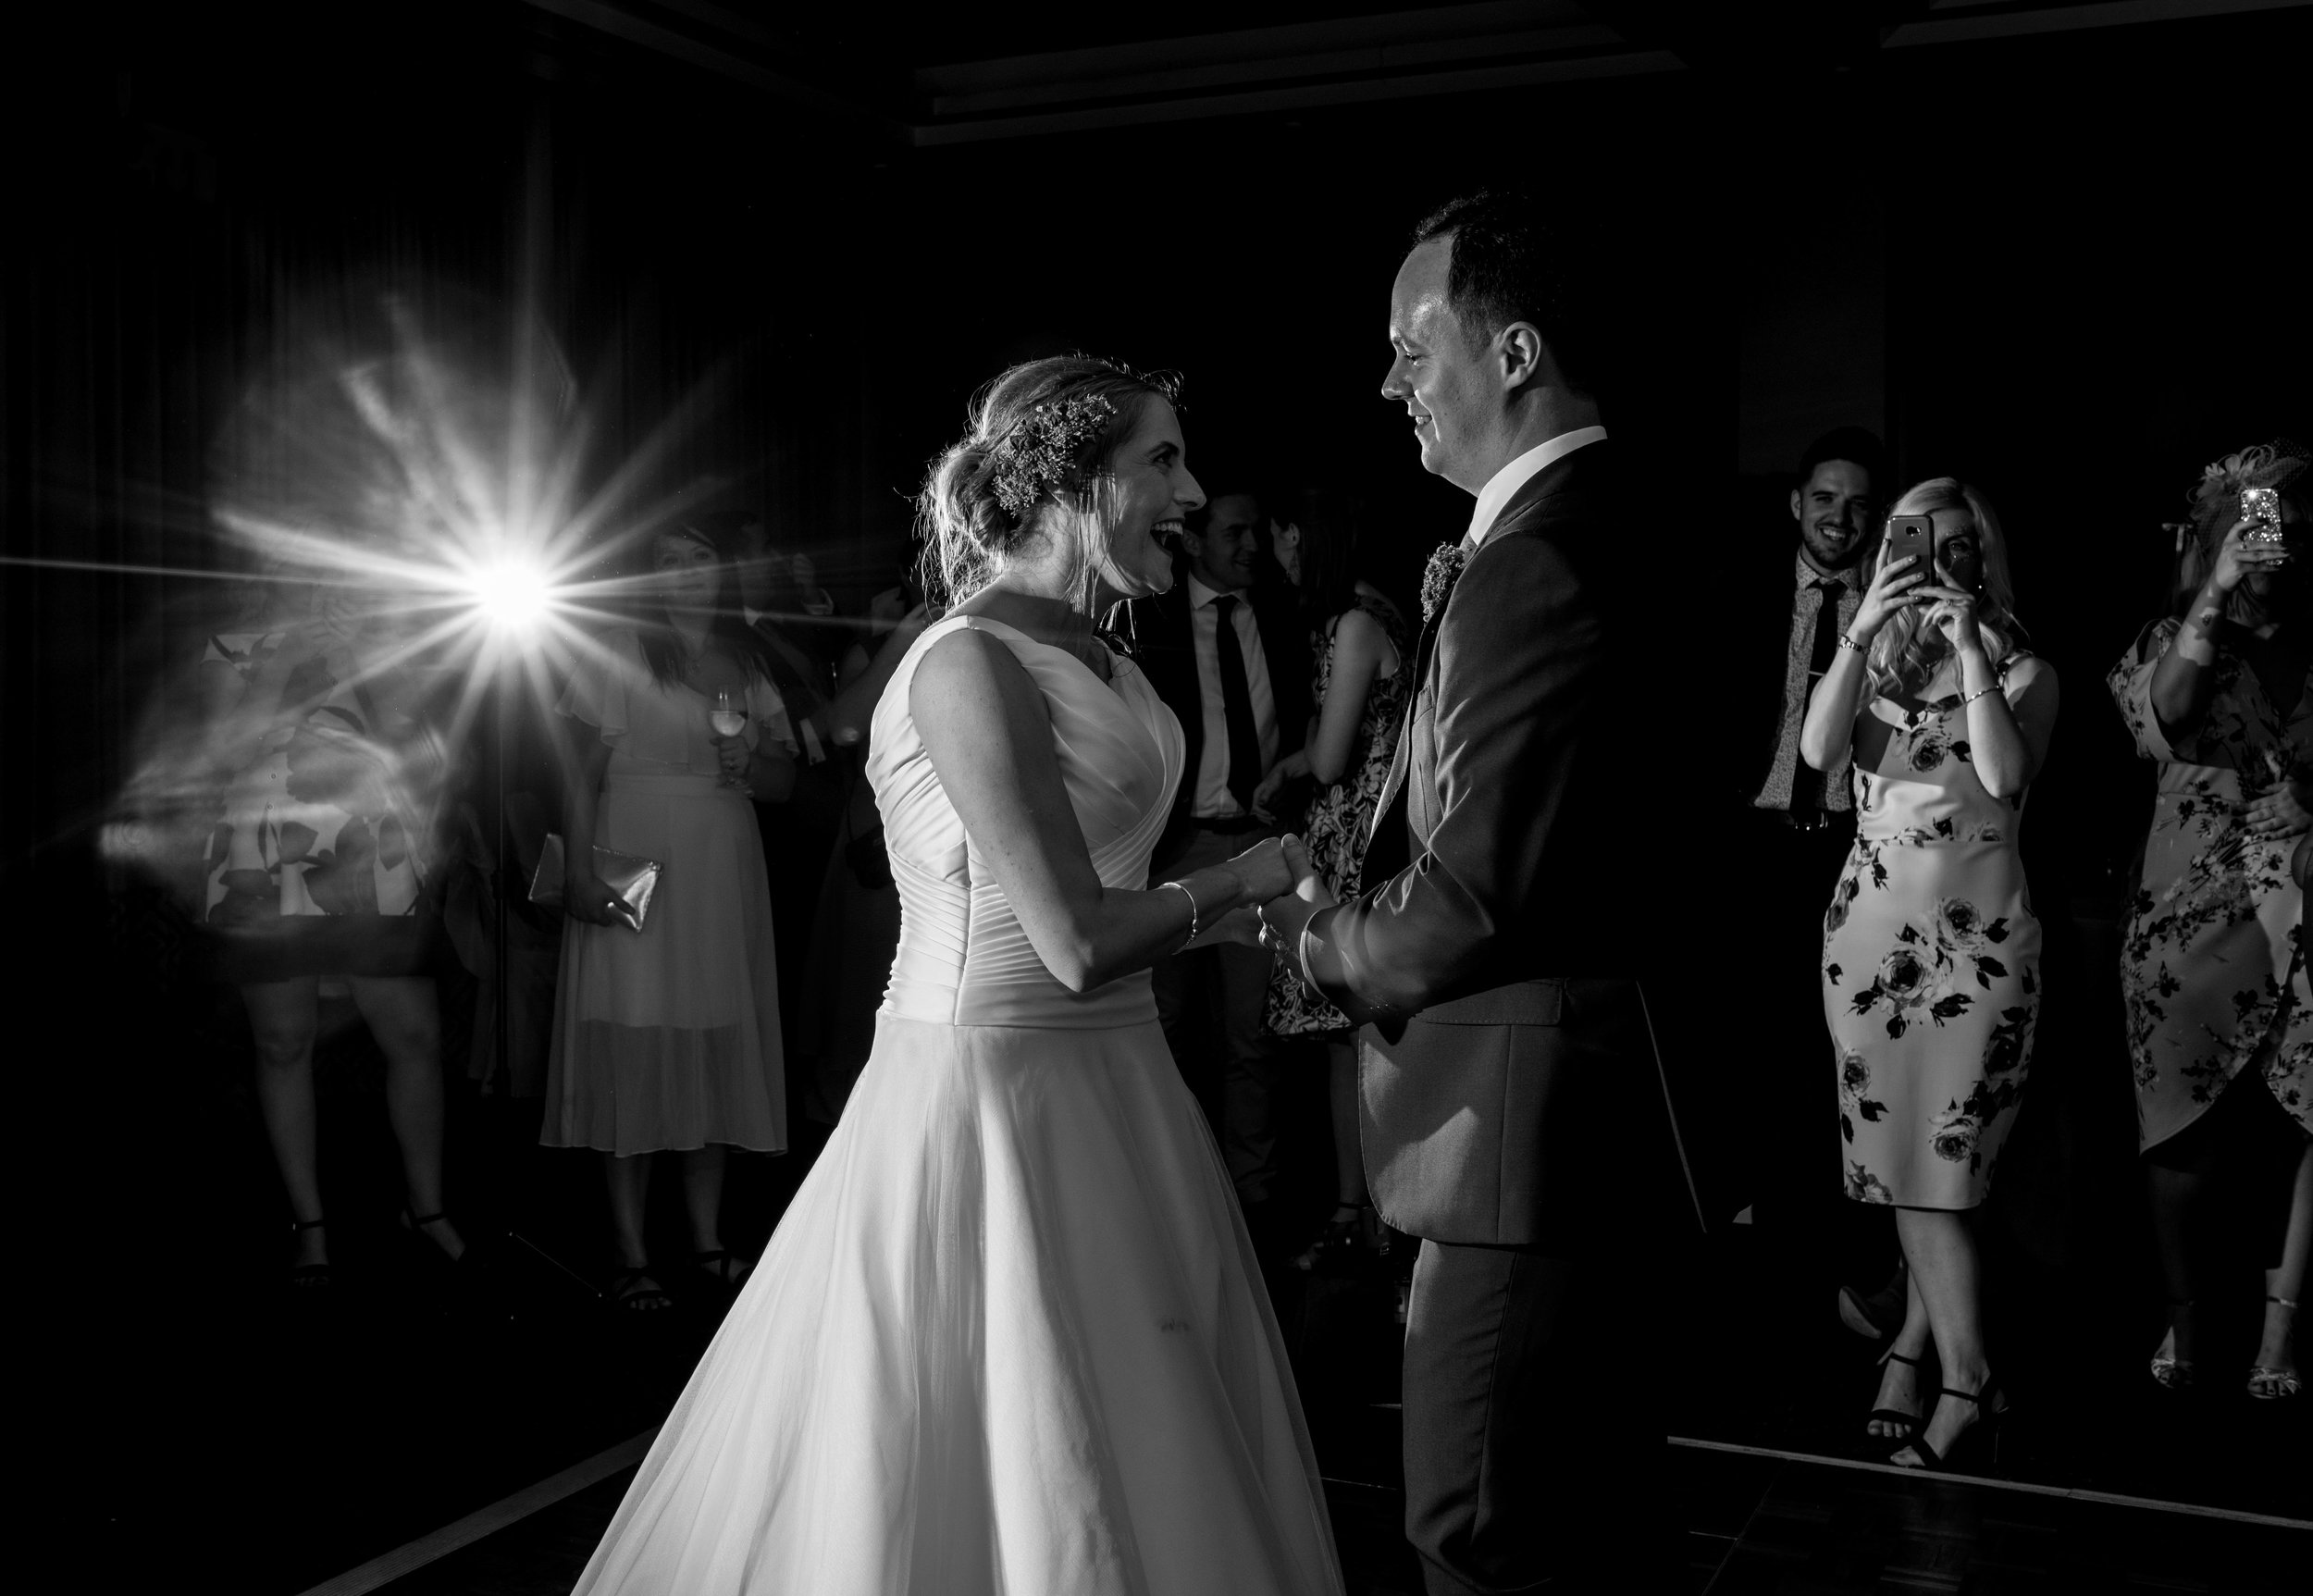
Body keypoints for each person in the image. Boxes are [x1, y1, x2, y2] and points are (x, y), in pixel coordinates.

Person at [567, 356, 1343, 1596]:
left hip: (1119, 1084)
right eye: (1162, 461)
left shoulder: (1119, 667)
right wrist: (1245, 882)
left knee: (1136, 1427)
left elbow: (1118, 907)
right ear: (1070, 482)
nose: (1191, 491)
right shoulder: (964, 664)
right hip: (990, 1094)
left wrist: (1279, 929)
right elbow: (1074, 941)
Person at [1259, 191, 1701, 1595]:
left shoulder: (1536, 561)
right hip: (1591, 1124)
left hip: (1519, 1144)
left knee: (1473, 1534)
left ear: (1512, 354)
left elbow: (1471, 899)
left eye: (1412, 344)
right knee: (1588, 1525)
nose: (1390, 381)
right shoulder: (1625, 520)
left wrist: (1323, 939)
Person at [1801, 478, 2058, 1469]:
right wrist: (1862, 632)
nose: (1940, 561)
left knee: (1940, 1176)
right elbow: (1820, 752)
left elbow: (2002, 776)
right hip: (1868, 948)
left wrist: (1965, 649)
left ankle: (1964, 1381)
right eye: (1921, 544)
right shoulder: (1872, 664)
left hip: (1978, 954)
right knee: (1908, 1176)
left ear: (1984, 559)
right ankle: (1915, 1350)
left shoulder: (2025, 669)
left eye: (1960, 547)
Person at [544, 519, 798, 1312]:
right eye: (667, 562)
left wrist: (753, 761)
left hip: (723, 859)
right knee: (634, 1033)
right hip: (638, 846)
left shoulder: (749, 659)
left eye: (700, 557)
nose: (685, 573)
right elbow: (575, 773)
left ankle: (707, 1237)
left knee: (712, 1031)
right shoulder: (618, 648)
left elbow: (789, 785)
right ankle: (629, 1248)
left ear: (722, 570)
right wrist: (580, 870)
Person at [2107, 439, 2310, 1404]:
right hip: (2192, 910)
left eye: (2279, 521)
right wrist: (2214, 594)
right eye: (2246, 519)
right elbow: (2160, 718)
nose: (2266, 538)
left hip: (2303, 907)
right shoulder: (2174, 632)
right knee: (2180, 1131)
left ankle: (2278, 1329)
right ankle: (2186, 1320)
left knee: (2298, 1129)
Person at [201, 571, 467, 1288]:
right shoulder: (233, 643)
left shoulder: (385, 637)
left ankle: (428, 1207)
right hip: (267, 851)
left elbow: (417, 739)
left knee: (411, 1034)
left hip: (366, 851)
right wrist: (284, 663)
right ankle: (311, 1223)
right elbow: (221, 755)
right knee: (283, 1039)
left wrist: (365, 654)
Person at [1118, 487, 1314, 1250]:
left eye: (1258, 531)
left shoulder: (1282, 616)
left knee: (1250, 1035)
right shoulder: (1147, 620)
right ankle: (1159, 1189)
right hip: (1175, 848)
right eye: (1235, 532)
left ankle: (1250, 1201)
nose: (1252, 546)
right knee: (1160, 1024)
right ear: (1194, 541)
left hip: (1259, 841)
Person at [1253, 490, 1408, 1269]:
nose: (1277, 553)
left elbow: (1330, 759)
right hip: (1347, 841)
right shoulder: (1359, 614)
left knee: (1349, 1040)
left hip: (1355, 850)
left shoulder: (1354, 623)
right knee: (1346, 1043)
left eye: (1285, 535)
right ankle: (1365, 1213)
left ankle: (1366, 1213)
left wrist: (1288, 768)